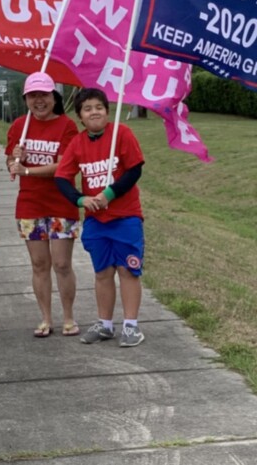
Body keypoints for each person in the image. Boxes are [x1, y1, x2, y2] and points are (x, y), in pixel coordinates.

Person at [55, 88, 147, 347]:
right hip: (97, 221)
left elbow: (134, 170)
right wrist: (80, 199)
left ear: (107, 111)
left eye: (98, 107)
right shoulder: (78, 143)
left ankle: (131, 326)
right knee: (102, 272)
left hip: (125, 217)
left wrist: (109, 193)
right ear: (80, 117)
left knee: (127, 269)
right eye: (87, 108)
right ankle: (105, 324)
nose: (94, 112)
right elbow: (62, 177)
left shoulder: (122, 134)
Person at [5, 73, 82, 338]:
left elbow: (63, 166)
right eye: (33, 96)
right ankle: (45, 318)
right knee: (39, 264)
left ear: (54, 97)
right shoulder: (18, 126)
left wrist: (27, 170)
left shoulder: (66, 126)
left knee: (61, 264)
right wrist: (16, 161)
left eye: (44, 95)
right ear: (25, 98)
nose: (39, 101)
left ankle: (69, 318)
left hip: (61, 203)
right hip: (30, 205)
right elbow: (11, 167)